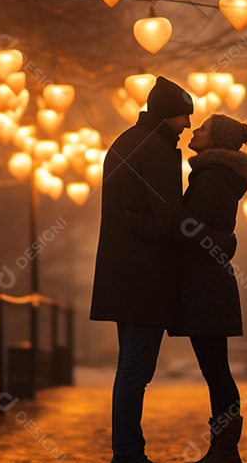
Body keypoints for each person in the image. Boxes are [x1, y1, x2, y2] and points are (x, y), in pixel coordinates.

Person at [91, 76, 236, 463]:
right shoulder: (155, 150)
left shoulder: (128, 141)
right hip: (144, 277)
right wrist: (223, 241)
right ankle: (128, 454)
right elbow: (172, 219)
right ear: (168, 115)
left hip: (126, 274)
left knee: (131, 369)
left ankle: (127, 451)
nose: (188, 125)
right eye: (184, 117)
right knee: (136, 370)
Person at [170, 114, 247, 463]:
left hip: (205, 286)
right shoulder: (217, 177)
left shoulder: (210, 179)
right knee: (216, 368)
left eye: (203, 128)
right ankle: (224, 447)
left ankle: (225, 449)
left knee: (216, 370)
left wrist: (152, 223)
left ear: (216, 141)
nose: (194, 130)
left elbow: (186, 228)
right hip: (210, 284)